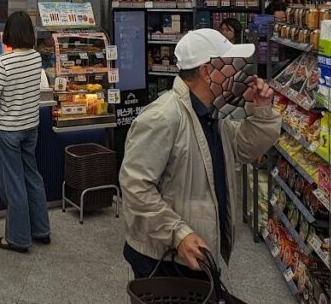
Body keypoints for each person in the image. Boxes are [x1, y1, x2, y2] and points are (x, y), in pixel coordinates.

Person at [119, 28, 280, 284]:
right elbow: (135, 186)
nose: (242, 72)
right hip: (166, 258)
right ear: (207, 72)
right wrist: (178, 233)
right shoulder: (163, 117)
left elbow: (243, 149)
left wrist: (261, 111)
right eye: (233, 65)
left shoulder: (213, 115)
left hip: (197, 251)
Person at [0, 11, 49, 253]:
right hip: (30, 127)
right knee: (32, 177)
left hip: (8, 130)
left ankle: (18, 238)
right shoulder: (36, 58)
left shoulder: (4, 62)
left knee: (14, 185)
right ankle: (41, 230)